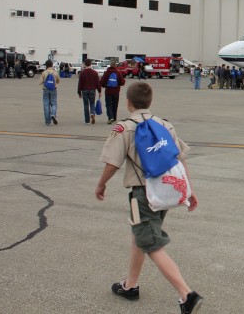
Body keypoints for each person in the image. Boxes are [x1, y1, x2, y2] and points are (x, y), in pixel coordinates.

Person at [94, 82, 203, 314]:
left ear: (128, 102)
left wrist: (101, 184)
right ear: (150, 102)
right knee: (140, 235)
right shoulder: (164, 124)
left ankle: (187, 295)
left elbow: (113, 163)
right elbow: (179, 159)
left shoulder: (125, 128)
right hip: (165, 191)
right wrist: (190, 191)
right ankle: (130, 286)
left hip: (140, 195)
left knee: (151, 243)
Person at [78, 59, 102, 124]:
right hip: (92, 90)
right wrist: (99, 91)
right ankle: (92, 113)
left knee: (86, 105)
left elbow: (80, 83)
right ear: (91, 64)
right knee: (92, 104)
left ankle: (87, 120)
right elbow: (98, 83)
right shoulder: (95, 73)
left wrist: (79, 92)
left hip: (85, 90)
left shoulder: (82, 73)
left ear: (85, 64)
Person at [40, 60, 60, 126]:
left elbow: (40, 82)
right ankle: (53, 114)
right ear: (52, 65)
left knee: (46, 105)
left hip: (46, 90)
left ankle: (47, 121)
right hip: (53, 90)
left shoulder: (44, 73)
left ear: (46, 65)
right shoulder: (55, 73)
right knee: (54, 104)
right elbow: (58, 81)